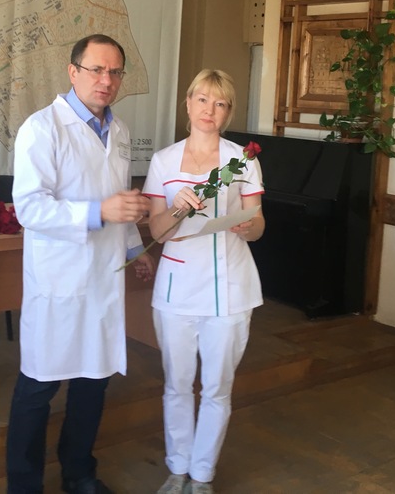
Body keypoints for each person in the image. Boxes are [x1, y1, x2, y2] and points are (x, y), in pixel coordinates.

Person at [7, 34, 154, 494]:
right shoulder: (42, 128)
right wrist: (97, 212)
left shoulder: (120, 131)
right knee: (39, 387)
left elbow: (121, 200)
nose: (106, 80)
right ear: (73, 72)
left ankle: (79, 473)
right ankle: (24, 486)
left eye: (115, 72)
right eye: (96, 69)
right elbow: (30, 208)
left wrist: (134, 248)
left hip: (104, 279)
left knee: (94, 381)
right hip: (60, 279)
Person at [141, 69, 265, 494]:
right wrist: (176, 209)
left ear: (228, 111)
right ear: (188, 102)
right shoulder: (163, 161)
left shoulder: (242, 160)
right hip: (176, 287)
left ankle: (202, 475)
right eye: (202, 99)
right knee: (177, 383)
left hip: (229, 288)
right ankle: (177, 467)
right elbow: (157, 233)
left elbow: (258, 223)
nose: (210, 109)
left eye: (220, 103)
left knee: (217, 387)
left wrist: (247, 227)